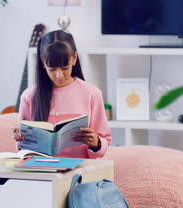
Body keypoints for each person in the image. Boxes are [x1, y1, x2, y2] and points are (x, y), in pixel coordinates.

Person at [13, 30, 111, 159]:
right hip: (41, 170)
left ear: (74, 58)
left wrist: (96, 142)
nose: (59, 75)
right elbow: (21, 148)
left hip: (79, 172)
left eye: (65, 68)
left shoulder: (92, 94)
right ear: (43, 62)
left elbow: (104, 141)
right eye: (52, 69)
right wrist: (20, 139)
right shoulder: (29, 96)